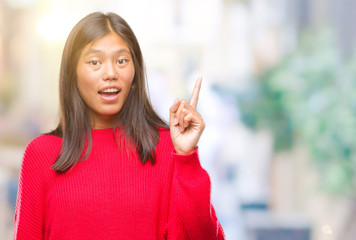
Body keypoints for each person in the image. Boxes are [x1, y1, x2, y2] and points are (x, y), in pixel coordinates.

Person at [13, 12, 225, 240]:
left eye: (121, 61)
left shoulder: (167, 148)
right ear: (72, 73)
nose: (111, 73)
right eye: (95, 62)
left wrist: (186, 158)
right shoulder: (41, 154)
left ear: (135, 73)